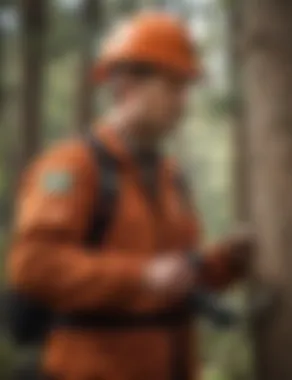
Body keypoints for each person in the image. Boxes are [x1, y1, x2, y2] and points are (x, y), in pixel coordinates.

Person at [8, 11, 253, 380]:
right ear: (125, 85)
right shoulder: (72, 166)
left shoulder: (171, 178)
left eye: (186, 88)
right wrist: (139, 278)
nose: (183, 102)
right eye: (173, 86)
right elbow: (32, 266)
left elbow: (182, 276)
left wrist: (225, 263)